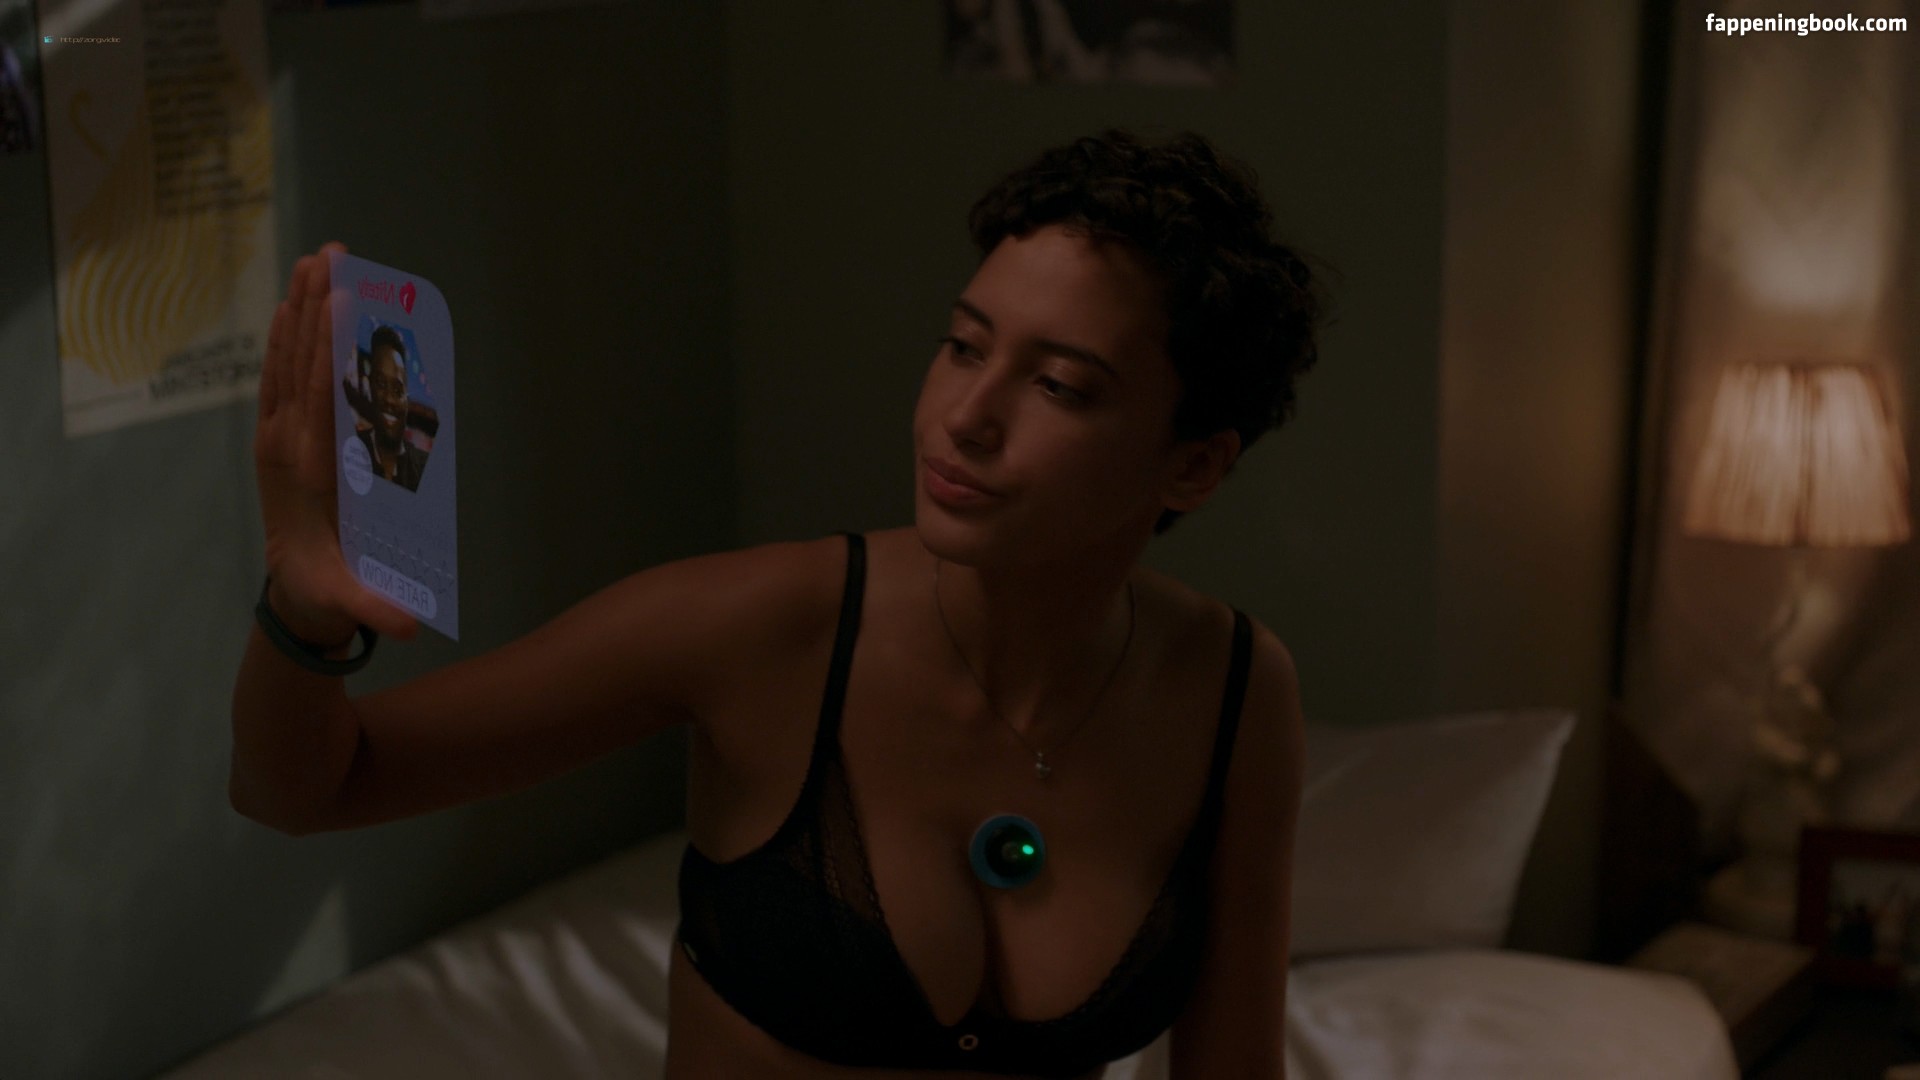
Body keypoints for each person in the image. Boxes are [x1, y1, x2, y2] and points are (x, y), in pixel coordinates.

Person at [232, 128, 1323, 1079]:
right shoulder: (761, 628)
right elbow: (310, 786)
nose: (966, 416)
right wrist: (305, 610)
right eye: (963, 346)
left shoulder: (1231, 687)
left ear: (1194, 465)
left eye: (1059, 386)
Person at [351, 325, 426, 492]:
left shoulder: (423, 466)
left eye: (398, 391)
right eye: (381, 384)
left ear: (407, 399)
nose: (389, 399)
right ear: (370, 386)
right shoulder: (353, 449)